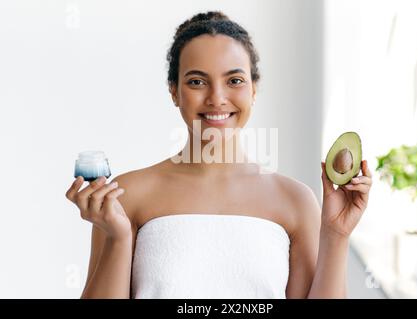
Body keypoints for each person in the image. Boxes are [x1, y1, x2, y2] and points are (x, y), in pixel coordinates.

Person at [65, 11, 372, 299]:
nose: (217, 98)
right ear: (174, 90)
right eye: (197, 81)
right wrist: (118, 239)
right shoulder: (127, 195)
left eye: (234, 81)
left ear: (254, 88)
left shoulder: (295, 200)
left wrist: (336, 234)